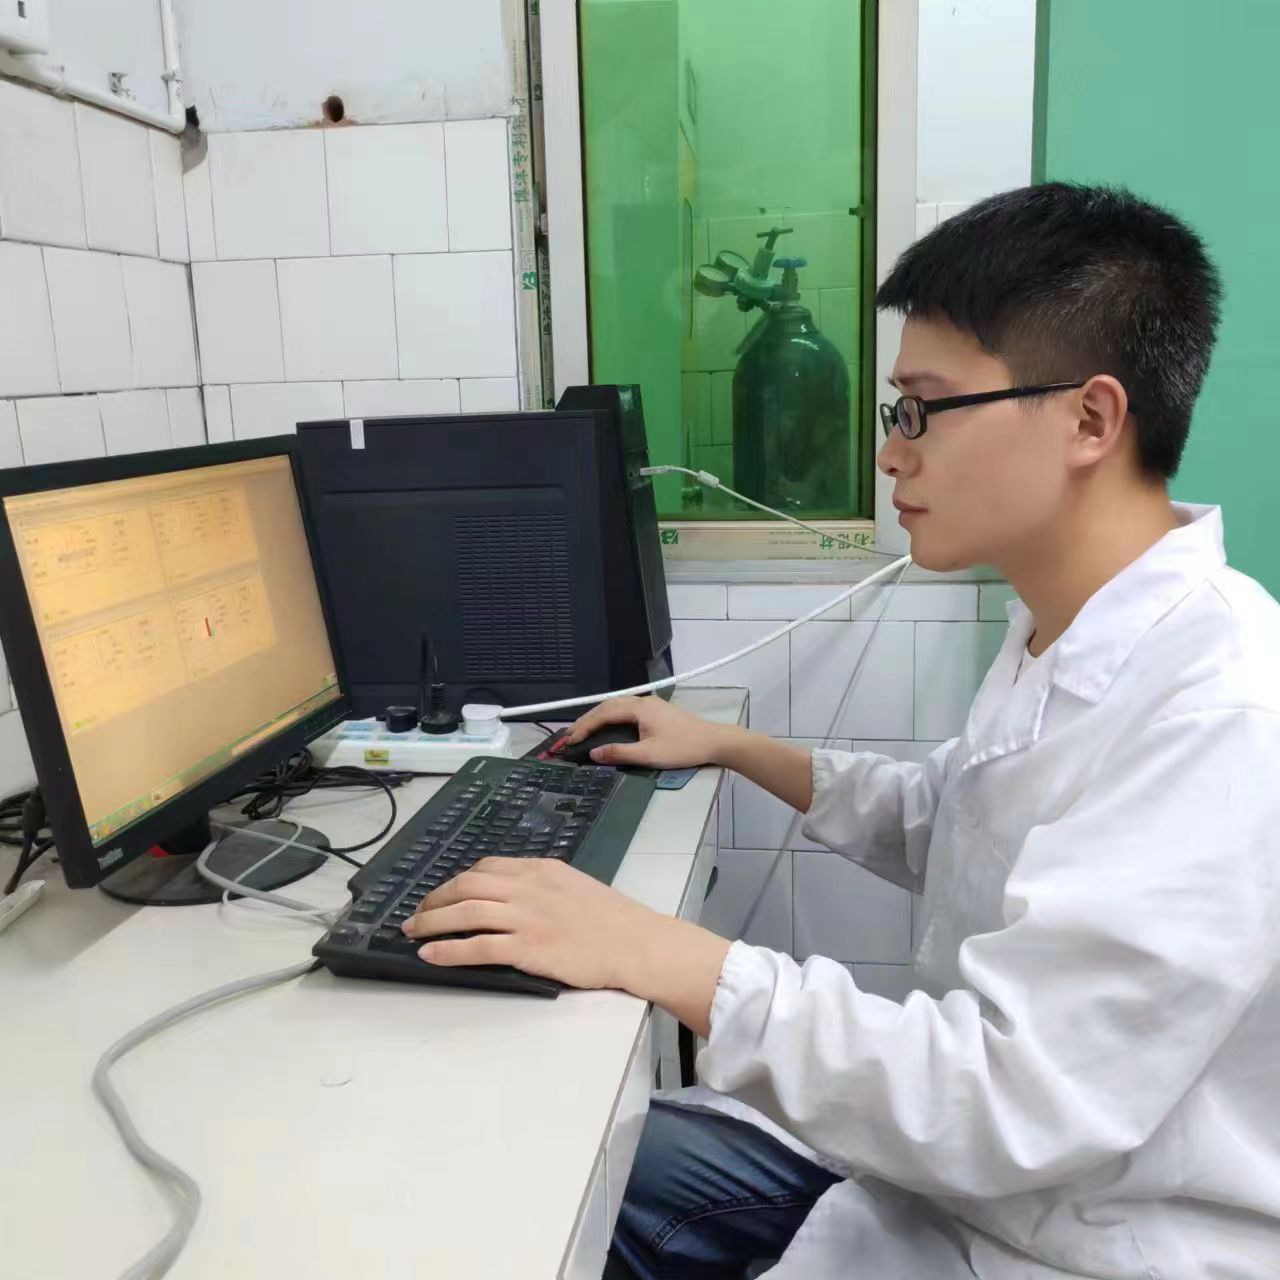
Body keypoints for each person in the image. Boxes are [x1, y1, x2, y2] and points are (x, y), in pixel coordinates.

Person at [401, 183, 1280, 1278]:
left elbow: (1007, 1098)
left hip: (1082, 1244)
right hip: (965, 1196)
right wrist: (728, 746)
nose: (890, 456)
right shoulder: (1068, 631)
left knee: (548, 1205)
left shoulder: (1218, 713)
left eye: (923, 409)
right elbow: (946, 818)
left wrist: (654, 949)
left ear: (1090, 421)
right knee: (558, 1148)